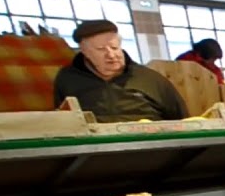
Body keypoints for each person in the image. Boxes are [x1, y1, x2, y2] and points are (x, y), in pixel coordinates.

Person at [52, 19, 187, 123]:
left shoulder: (150, 78)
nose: (111, 55)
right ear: (85, 52)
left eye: (115, 47)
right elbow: (64, 121)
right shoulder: (68, 78)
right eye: (101, 49)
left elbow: (182, 120)